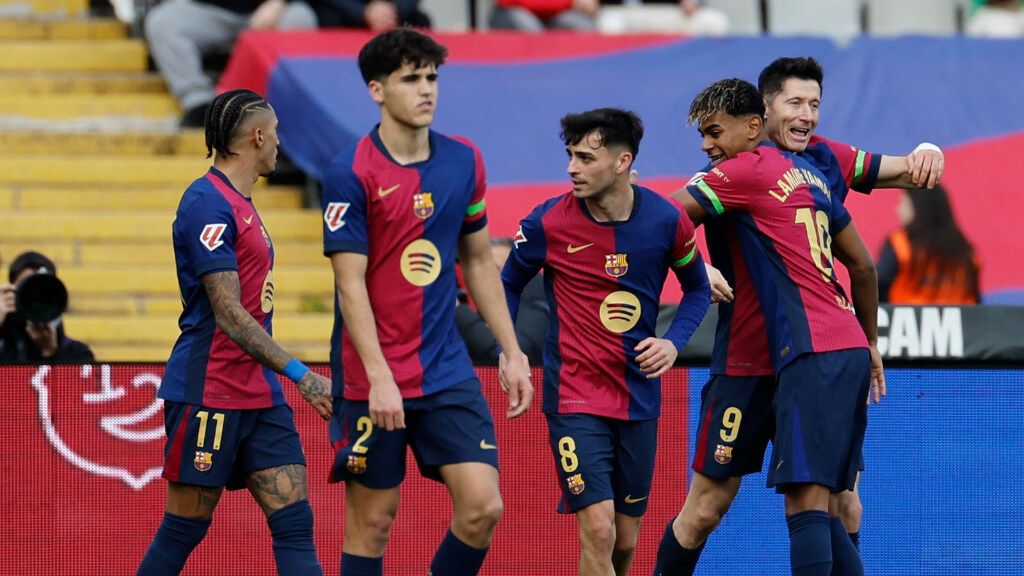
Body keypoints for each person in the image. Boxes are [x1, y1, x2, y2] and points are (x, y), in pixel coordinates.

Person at [652, 55, 947, 576]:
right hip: (749, 364)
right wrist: (697, 268)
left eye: (814, 104)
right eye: (795, 103)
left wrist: (928, 152)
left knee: (839, 503)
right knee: (704, 510)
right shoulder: (730, 169)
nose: (807, 115)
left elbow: (903, 173)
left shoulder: (822, 160)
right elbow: (666, 219)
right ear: (761, 113)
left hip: (811, 353)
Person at [320, 28, 533, 576]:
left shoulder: (464, 160)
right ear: (376, 90)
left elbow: (480, 260)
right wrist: (378, 377)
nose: (426, 89)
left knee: (484, 507)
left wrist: (511, 350)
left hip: (445, 368)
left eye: (432, 77)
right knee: (373, 523)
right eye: (410, 78)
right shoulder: (350, 171)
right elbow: (350, 285)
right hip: (372, 374)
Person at [502, 108, 711, 576]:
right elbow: (506, 284)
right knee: (598, 530)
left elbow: (697, 288)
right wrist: (509, 350)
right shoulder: (546, 223)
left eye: (585, 157)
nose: (572, 168)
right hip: (574, 395)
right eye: (570, 156)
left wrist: (674, 342)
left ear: (622, 162)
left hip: (638, 397)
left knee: (624, 539)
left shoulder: (666, 220)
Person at [136, 89, 332, 576]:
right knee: (184, 528)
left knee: (295, 522)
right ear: (258, 136)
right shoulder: (206, 202)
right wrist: (302, 376)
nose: (280, 144)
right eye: (277, 133)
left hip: (258, 394)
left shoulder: (240, 202)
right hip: (210, 389)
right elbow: (229, 313)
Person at [144, 0, 318, 128]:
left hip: (272, 11)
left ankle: (281, 111)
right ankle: (199, 105)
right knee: (162, 22)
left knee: (299, 18)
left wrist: (279, 2)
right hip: (211, 11)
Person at [878, 185, 980, 304]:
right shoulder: (968, 254)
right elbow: (975, 302)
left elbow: (878, 286)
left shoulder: (901, 245)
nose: (898, 210)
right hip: (959, 321)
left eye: (903, 204)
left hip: (904, 319)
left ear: (917, 207)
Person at [456, 237, 548, 366]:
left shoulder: (538, 303)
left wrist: (458, 310)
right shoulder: (481, 311)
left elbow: (515, 355)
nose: (486, 279)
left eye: (495, 270)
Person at [0, 251, 95, 364]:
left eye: (42, 291)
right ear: (12, 293)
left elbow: (78, 381)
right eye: (27, 289)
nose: (35, 299)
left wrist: (50, 351)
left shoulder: (77, 353)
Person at [314, 0, 431, 31]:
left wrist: (392, 12)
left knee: (420, 22)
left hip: (394, 15)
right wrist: (364, 12)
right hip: (343, 14)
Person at [489, 0, 599, 32]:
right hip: (512, 11)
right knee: (531, 31)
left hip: (556, 14)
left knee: (584, 28)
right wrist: (570, 2)